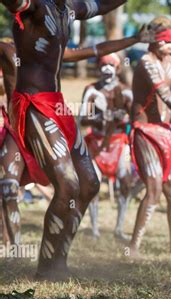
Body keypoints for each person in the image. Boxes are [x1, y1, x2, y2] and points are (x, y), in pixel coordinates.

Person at [0, 0, 127, 280]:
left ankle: (58, 260)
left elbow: (101, 6)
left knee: (89, 184)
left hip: (58, 106)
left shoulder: (68, 8)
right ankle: (47, 267)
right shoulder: (32, 6)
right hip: (33, 105)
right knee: (67, 184)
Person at [129, 16, 171, 255]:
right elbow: (168, 98)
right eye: (164, 41)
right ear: (153, 41)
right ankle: (133, 247)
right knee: (153, 189)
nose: (169, 46)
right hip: (145, 131)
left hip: (167, 132)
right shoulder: (146, 62)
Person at [80, 53, 133, 241]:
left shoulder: (126, 91)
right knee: (93, 185)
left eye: (111, 64)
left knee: (125, 183)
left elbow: (134, 118)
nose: (106, 69)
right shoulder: (91, 90)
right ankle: (94, 230)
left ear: (118, 68)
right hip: (96, 143)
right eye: (103, 64)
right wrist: (98, 118)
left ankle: (119, 228)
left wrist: (123, 117)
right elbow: (82, 119)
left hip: (119, 143)